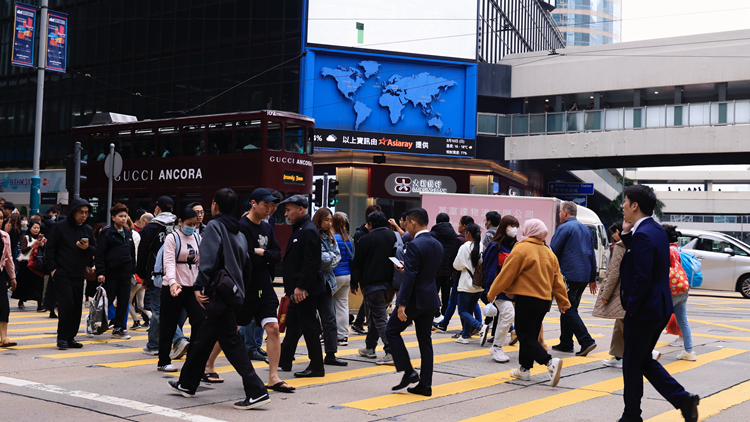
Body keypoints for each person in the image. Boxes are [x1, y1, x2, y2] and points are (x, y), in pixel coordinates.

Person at [169, 189, 271, 410]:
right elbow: (247, 265)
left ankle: (256, 391)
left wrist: (198, 286)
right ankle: (187, 384)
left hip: (218, 294)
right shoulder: (239, 230)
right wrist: (240, 290)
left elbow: (208, 259)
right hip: (232, 292)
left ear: (214, 205)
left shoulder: (215, 226)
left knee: (231, 342)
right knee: (203, 339)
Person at [619, 185, 699, 422]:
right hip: (659, 308)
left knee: (632, 365)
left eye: (625, 201)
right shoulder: (655, 230)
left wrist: (631, 310)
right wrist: (626, 234)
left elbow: (642, 276)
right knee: (641, 359)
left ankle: (631, 416)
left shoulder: (643, 233)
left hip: (644, 310)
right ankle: (682, 399)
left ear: (635, 205)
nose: (622, 206)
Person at [487, 219, 570, 387]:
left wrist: (492, 292)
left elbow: (506, 274)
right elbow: (558, 280)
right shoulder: (549, 253)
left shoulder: (522, 249)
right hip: (544, 302)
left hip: (526, 299)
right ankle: (524, 370)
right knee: (530, 335)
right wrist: (563, 301)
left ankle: (549, 362)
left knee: (524, 336)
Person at [386, 207, 443, 397]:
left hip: (413, 300)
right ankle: (425, 385)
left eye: (407, 223)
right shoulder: (437, 244)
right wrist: (407, 269)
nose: (406, 228)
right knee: (425, 341)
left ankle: (408, 371)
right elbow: (428, 273)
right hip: (431, 298)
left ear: (412, 222)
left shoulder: (415, 245)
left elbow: (411, 276)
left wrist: (401, 303)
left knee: (391, 331)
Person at [237, 188, 290, 391]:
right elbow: (246, 257)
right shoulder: (242, 227)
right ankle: (209, 365)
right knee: (232, 328)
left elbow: (277, 254)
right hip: (246, 285)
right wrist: (263, 255)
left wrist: (262, 253)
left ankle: (273, 377)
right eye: (266, 205)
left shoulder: (268, 228)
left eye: (272, 206)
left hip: (264, 285)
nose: (270, 209)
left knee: (274, 328)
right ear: (253, 203)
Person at [278, 195, 326, 378]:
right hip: (297, 289)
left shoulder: (308, 230)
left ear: (301, 209)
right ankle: (284, 360)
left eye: (289, 210)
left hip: (304, 290)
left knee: (309, 327)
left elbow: (310, 262)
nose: (286, 214)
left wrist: (301, 287)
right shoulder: (300, 228)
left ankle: (316, 366)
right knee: (293, 323)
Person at [137, 196, 187, 357]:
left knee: (159, 309)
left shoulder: (151, 227)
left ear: (157, 209)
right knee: (168, 308)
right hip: (179, 274)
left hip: (157, 274)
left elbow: (143, 253)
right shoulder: (179, 226)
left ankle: (178, 339)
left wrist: (142, 274)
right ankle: (153, 344)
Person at [45, 198, 97, 349]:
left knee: (76, 306)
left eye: (86, 213)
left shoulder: (87, 229)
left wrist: (86, 248)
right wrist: (53, 269)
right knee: (66, 303)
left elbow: (94, 250)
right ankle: (62, 337)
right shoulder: (59, 226)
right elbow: (50, 249)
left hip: (78, 273)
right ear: (73, 211)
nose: (83, 215)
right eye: (80, 212)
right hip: (62, 272)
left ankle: (71, 337)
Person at [157, 207, 204, 372]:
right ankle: (163, 360)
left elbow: (201, 263)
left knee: (199, 320)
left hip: (193, 288)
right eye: (189, 224)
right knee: (169, 324)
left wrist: (201, 285)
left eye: (195, 224)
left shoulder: (198, 237)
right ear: (180, 222)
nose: (192, 227)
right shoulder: (172, 238)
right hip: (174, 287)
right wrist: (172, 282)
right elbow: (169, 262)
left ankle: (192, 357)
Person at [550, 201, 598, 357]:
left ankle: (586, 340)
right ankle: (566, 342)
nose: (559, 215)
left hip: (568, 275)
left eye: (560, 213)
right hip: (583, 275)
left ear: (565, 212)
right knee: (571, 308)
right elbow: (591, 254)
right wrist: (592, 278)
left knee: (566, 308)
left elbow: (553, 252)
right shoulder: (585, 229)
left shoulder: (564, 228)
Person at [352, 211, 396, 365]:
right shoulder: (393, 236)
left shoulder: (365, 240)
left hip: (372, 285)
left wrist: (353, 284)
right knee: (377, 316)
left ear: (370, 225)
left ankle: (391, 351)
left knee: (379, 318)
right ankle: (370, 347)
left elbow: (357, 265)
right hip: (390, 286)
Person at [95, 203, 137, 339]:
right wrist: (100, 272)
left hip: (125, 274)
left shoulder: (128, 233)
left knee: (123, 301)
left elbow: (132, 253)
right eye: (120, 216)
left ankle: (119, 328)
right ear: (113, 218)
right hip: (110, 274)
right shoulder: (107, 233)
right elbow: (100, 254)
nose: (123, 219)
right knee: (107, 301)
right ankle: (94, 322)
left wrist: (133, 270)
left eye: (125, 216)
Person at [312, 208, 347, 366]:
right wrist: (330, 258)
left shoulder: (330, 237)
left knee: (330, 319)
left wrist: (329, 258)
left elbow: (335, 257)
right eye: (327, 220)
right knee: (303, 321)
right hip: (312, 283)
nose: (330, 223)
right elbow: (323, 259)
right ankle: (287, 353)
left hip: (327, 283)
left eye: (331, 220)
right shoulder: (313, 235)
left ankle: (331, 354)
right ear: (319, 220)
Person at [483, 215, 520, 362]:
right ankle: (497, 347)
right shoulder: (494, 246)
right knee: (508, 314)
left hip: (514, 290)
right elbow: (489, 270)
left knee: (507, 316)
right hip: (500, 290)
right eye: (511, 226)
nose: (514, 229)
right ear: (504, 227)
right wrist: (492, 289)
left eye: (516, 226)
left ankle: (497, 346)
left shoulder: (516, 246)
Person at [593, 221, 628, 368]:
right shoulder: (634, 244)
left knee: (624, 326)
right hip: (629, 292)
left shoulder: (620, 247)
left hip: (621, 293)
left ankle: (628, 356)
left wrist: (605, 294)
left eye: (614, 232)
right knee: (619, 324)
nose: (613, 236)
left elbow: (613, 273)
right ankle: (617, 355)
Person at [663, 224, 697, 361]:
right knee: (683, 320)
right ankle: (689, 351)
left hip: (672, 290)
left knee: (658, 320)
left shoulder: (667, 250)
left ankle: (648, 350)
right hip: (682, 288)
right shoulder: (677, 249)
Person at [350, 204, 382, 335]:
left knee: (368, 298)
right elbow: (359, 257)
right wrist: (355, 280)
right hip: (364, 271)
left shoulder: (380, 233)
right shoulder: (360, 233)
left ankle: (358, 323)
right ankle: (368, 327)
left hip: (374, 270)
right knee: (369, 298)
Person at [453, 223, 486, 344]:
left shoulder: (464, 247)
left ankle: (479, 326)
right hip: (478, 286)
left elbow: (456, 265)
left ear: (468, 233)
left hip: (466, 285)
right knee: (469, 310)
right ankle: (465, 335)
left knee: (462, 311)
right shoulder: (482, 246)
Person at [430, 213, 458, 318]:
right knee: (446, 294)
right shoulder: (454, 235)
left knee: (434, 292)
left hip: (436, 269)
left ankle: (436, 314)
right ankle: (445, 315)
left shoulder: (432, 234)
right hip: (449, 270)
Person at [13, 221, 46, 312]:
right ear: (30, 228)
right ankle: (21, 301)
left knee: (39, 285)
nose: (36, 230)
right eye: (34, 228)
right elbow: (23, 251)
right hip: (27, 264)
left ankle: (40, 305)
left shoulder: (43, 239)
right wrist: (33, 245)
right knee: (25, 284)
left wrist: (42, 245)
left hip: (38, 264)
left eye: (38, 228)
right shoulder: (26, 238)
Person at [331, 213, 353, 346]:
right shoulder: (347, 239)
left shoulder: (332, 238)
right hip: (347, 276)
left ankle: (326, 332)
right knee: (343, 306)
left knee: (325, 304)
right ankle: (342, 336)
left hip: (335, 275)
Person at [0, 212, 18, 347]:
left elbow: (9, 258)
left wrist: (12, 277)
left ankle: (4, 338)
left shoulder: (4, 236)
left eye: (0, 218)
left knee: (3, 305)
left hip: (0, 275)